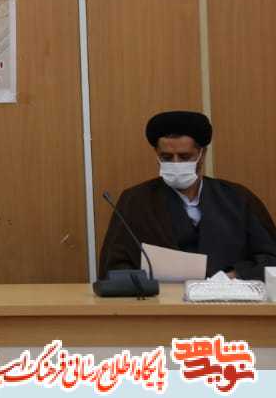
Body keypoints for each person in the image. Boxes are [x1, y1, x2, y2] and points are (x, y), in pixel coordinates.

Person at [98, 111, 276, 280]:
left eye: (184, 157)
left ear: (202, 154)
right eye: (167, 157)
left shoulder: (238, 199)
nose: (176, 163)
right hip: (162, 299)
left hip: (227, 297)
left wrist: (234, 276)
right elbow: (113, 268)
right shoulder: (135, 201)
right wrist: (146, 283)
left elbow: (270, 259)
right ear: (157, 155)